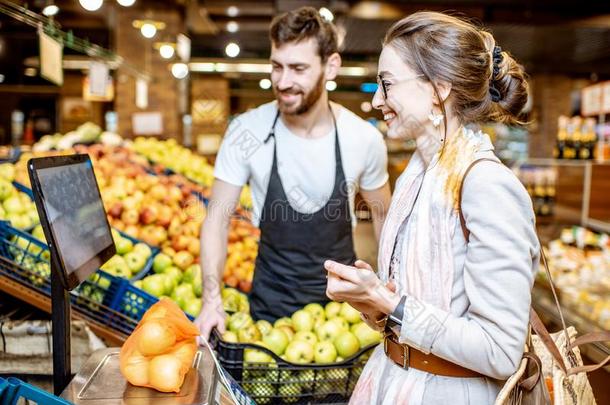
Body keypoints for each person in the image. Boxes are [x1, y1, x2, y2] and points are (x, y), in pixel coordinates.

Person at [324, 11, 539, 405]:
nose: (376, 101)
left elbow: (501, 350)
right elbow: (419, 306)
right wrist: (373, 298)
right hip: (398, 380)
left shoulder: (486, 185)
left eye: (387, 85)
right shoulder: (418, 174)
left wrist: (391, 303)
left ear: (438, 90)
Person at [196, 7, 391, 338]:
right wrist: (211, 299)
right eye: (277, 67)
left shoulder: (364, 139)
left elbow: (386, 219)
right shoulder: (247, 131)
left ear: (331, 66)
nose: (283, 82)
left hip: (344, 315)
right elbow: (216, 219)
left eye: (298, 68)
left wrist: (384, 295)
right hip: (269, 308)